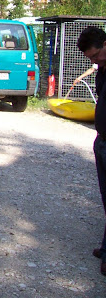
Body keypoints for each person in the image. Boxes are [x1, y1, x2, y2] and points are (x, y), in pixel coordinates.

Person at [77, 26, 106, 276]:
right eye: (91, 58)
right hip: (102, 141)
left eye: (96, 55)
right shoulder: (102, 69)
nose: (94, 61)